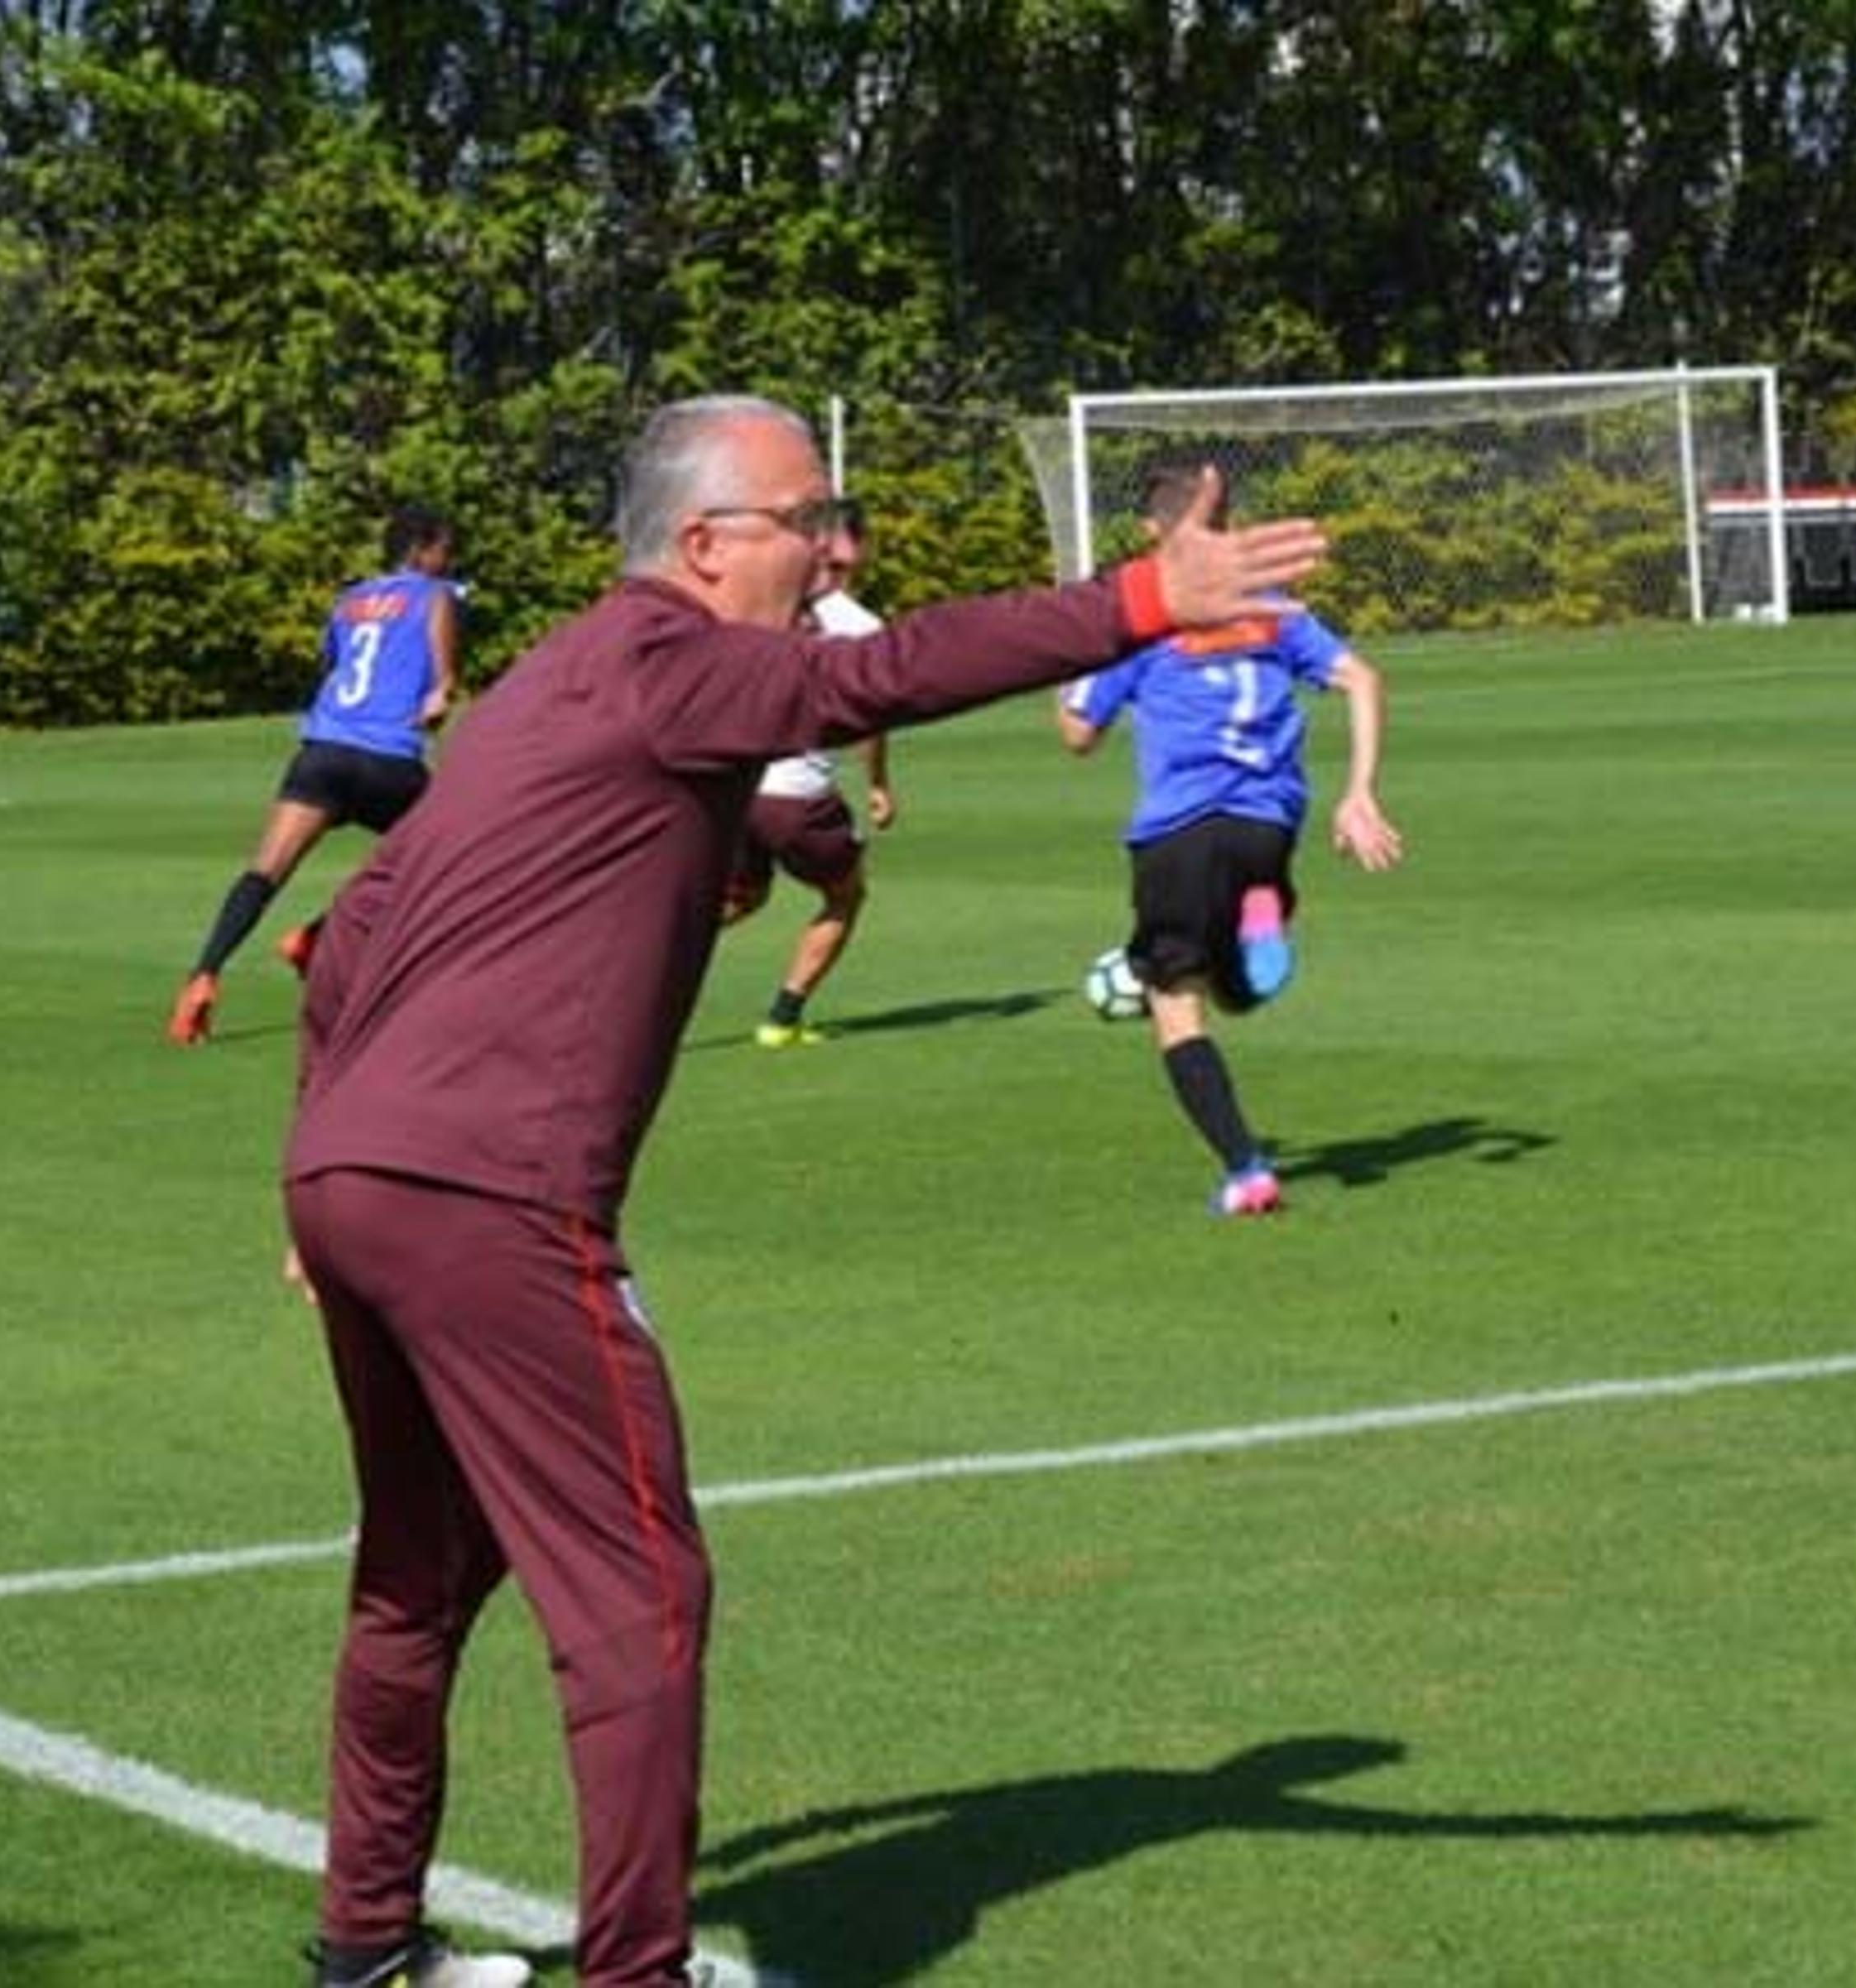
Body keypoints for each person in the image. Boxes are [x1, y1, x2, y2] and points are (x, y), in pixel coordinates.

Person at [280, 395, 1325, 1988]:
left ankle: (364, 1949)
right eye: (808, 517)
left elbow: (345, 940)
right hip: (491, 1195)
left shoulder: (542, 679)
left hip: (357, 1177)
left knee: (419, 1576)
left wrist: (327, 1168)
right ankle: (640, 1971)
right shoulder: (677, 656)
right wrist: (1137, 601)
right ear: (705, 546)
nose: (837, 545)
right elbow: (875, 675)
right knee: (639, 1594)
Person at [1055, 459, 1403, 1218]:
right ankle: (1261, 913)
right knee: (1240, 988)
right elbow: (1363, 679)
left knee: (1174, 1002)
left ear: (1154, 529)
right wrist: (1359, 793)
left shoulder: (1141, 619)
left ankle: (1245, 1168)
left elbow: (1077, 733)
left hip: (1177, 829)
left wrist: (1076, 663)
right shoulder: (1273, 608)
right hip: (1268, 824)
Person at [166, 507, 466, 1046]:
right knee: (445, 857)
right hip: (388, 760)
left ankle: (202, 978)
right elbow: (443, 681)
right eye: (445, 548)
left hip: (324, 751)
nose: (450, 559)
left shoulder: (348, 601)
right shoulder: (435, 592)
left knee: (264, 871)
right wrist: (441, 693)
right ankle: (316, 936)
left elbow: (336, 666)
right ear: (421, 551)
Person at [724, 497, 896, 1048]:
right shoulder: (862, 626)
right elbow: (872, 719)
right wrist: (877, 785)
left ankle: (638, 963)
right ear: (855, 548)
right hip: (795, 795)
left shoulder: (759, 609)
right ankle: (783, 1017)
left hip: (738, 787)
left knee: (742, 898)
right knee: (847, 895)